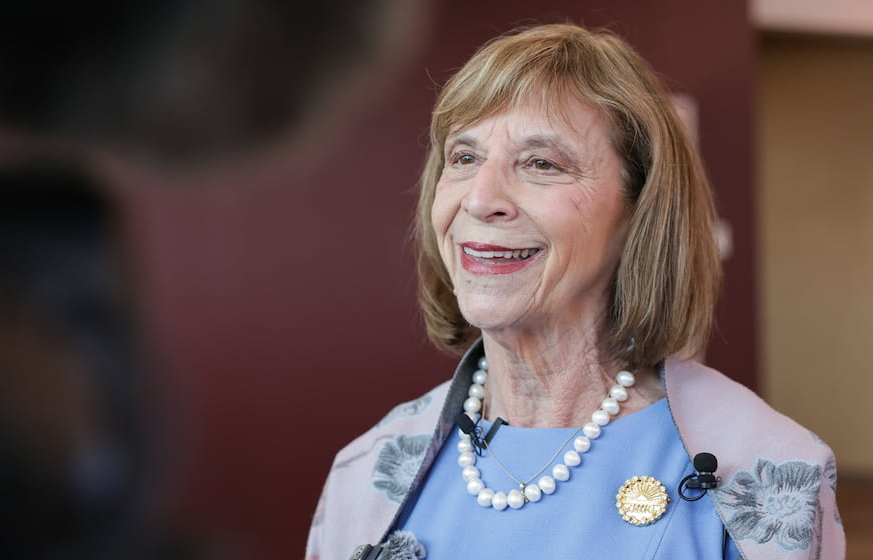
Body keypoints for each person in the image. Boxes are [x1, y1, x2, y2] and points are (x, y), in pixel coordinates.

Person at [306, 23, 844, 560]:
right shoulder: (368, 471)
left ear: (641, 210)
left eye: (541, 163)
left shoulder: (767, 475)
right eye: (464, 158)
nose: (479, 199)